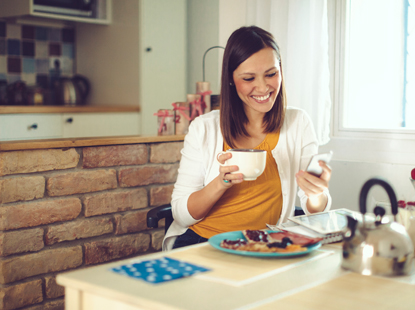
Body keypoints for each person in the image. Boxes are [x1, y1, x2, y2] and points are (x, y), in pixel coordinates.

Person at [162, 26, 332, 251]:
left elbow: (314, 210)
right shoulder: (203, 128)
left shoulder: (298, 123)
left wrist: (317, 193)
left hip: (265, 245)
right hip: (203, 243)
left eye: (271, 74)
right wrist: (220, 183)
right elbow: (181, 215)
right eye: (249, 78)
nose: (263, 87)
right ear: (231, 79)